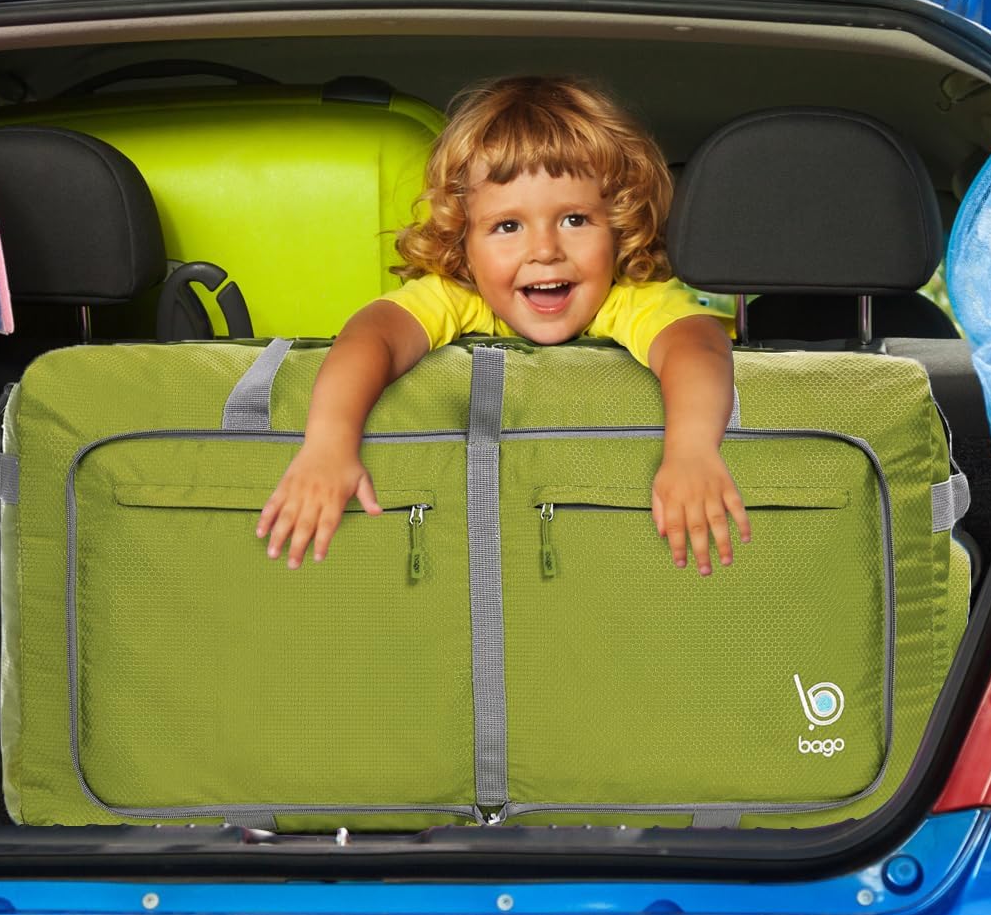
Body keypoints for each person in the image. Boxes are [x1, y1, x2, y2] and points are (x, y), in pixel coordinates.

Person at [256, 75, 749, 576]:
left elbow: (697, 346)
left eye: (575, 220)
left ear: (619, 229)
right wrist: (328, 445)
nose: (545, 251)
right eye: (508, 226)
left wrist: (691, 451)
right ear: (463, 245)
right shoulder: (459, 294)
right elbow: (372, 335)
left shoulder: (629, 298)